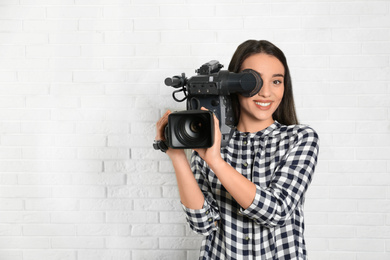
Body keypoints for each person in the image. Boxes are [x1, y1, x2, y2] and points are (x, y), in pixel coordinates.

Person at [154, 40, 319, 260]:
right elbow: (202, 224)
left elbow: (276, 212)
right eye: (254, 82)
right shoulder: (208, 140)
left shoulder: (300, 138)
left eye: (276, 81)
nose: (266, 92)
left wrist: (216, 162)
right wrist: (176, 155)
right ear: (233, 85)